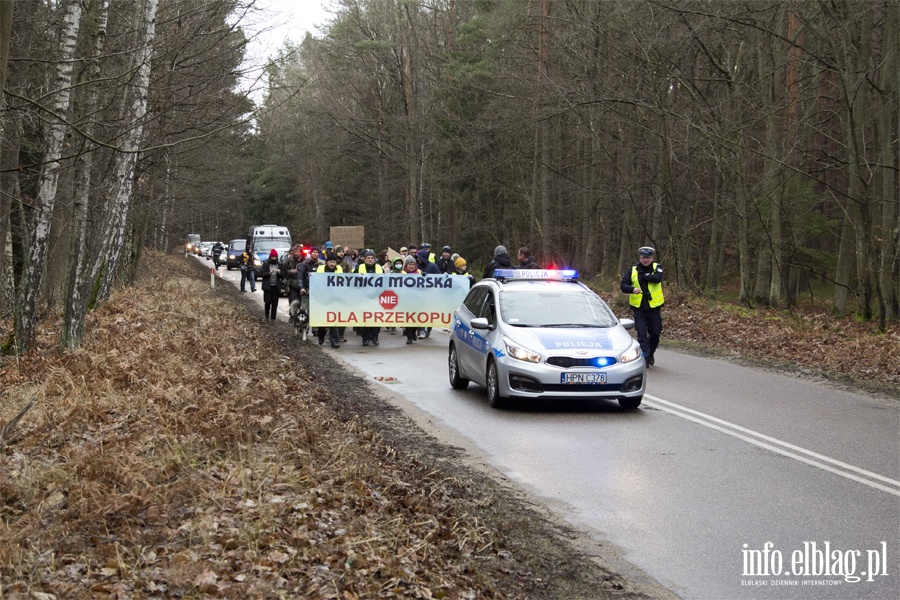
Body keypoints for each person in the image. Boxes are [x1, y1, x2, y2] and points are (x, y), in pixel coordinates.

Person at [620, 246, 664, 366]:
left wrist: (645, 276)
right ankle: (645, 357)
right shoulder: (633, 270)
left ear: (652, 258)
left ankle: (650, 353)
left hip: (654, 307)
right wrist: (632, 289)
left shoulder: (657, 267)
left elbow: (657, 278)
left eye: (648, 258)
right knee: (641, 333)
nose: (646, 260)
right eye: (644, 258)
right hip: (638, 307)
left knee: (655, 333)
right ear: (640, 258)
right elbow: (623, 285)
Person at [315, 254, 343, 347]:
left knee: (333, 320)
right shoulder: (320, 269)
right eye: (330, 262)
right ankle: (321, 336)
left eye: (334, 262)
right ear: (327, 262)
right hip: (322, 298)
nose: (332, 264)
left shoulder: (339, 269)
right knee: (322, 321)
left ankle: (334, 340)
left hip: (334, 298)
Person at [356, 249, 384, 346]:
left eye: (372, 258)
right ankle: (365, 338)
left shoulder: (379, 268)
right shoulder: (359, 267)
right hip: (363, 298)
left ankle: (375, 336)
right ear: (365, 259)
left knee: (376, 319)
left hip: (376, 298)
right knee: (364, 319)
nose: (370, 260)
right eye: (368, 258)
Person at [401, 256, 421, 344]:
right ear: (406, 265)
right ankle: (409, 337)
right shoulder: (402, 273)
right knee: (408, 319)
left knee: (417, 318)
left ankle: (413, 332)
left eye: (413, 264)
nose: (412, 266)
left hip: (417, 299)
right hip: (406, 300)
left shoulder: (419, 272)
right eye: (410, 264)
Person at [260, 248, 282, 323]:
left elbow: (283, 275)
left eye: (275, 257)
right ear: (270, 257)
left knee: (275, 303)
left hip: (276, 286)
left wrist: (279, 272)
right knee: (267, 302)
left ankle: (273, 318)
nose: (274, 258)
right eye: (272, 257)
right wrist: (268, 273)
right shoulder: (266, 263)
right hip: (267, 286)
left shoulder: (279, 264)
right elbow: (261, 273)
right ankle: (266, 316)